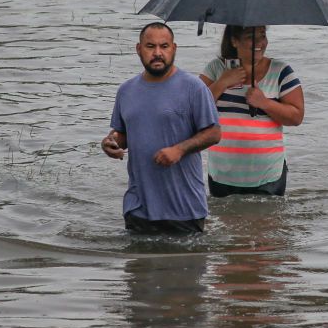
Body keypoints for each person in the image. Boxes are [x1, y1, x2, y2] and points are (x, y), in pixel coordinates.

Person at [101, 22, 221, 234]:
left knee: (187, 266)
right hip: (137, 208)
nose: (157, 53)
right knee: (138, 266)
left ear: (174, 48)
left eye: (164, 46)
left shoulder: (194, 87)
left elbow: (214, 133)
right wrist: (110, 142)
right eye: (150, 46)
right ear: (139, 49)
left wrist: (179, 150)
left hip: (184, 208)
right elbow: (122, 134)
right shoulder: (126, 91)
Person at [198, 25, 304, 197]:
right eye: (250, 36)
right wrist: (222, 83)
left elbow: (296, 117)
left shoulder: (281, 72)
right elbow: (194, 110)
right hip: (222, 174)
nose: (259, 42)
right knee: (226, 224)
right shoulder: (216, 69)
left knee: (267, 223)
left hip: (268, 175)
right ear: (234, 40)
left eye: (262, 35)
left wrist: (264, 103)